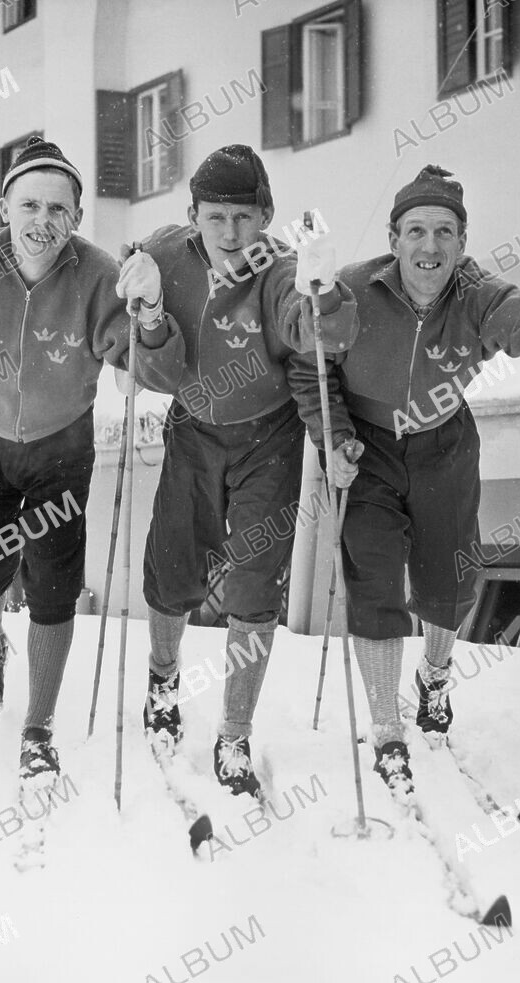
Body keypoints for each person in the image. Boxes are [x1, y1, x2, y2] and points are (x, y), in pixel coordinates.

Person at [288, 164, 520, 797]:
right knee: (373, 577)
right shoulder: (355, 291)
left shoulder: (479, 297)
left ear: (462, 242)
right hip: (368, 446)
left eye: (444, 231)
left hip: (444, 443)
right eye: (415, 230)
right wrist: (331, 437)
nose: (430, 246)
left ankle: (436, 675)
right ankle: (388, 730)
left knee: (450, 581)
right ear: (394, 239)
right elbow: (311, 369)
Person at [0, 136, 182, 781]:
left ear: (77, 217)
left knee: (56, 587)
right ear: (4, 206)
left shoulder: (95, 276)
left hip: (62, 447)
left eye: (59, 208)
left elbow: (143, 366)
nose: (43, 220)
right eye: (29, 204)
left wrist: (148, 310)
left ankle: (38, 725)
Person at [116, 144, 359, 797]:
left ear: (266, 215)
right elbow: (145, 362)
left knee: (255, 585)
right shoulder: (167, 254)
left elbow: (320, 343)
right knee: (172, 570)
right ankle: (163, 682)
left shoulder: (281, 270)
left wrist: (325, 294)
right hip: (193, 429)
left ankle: (234, 730)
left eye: (244, 218)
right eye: (215, 217)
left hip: (268, 441)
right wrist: (139, 301)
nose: (229, 234)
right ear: (192, 214)